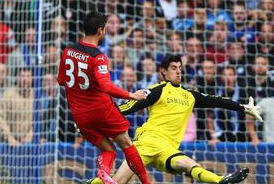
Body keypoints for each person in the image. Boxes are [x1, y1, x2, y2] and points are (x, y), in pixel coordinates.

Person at [98, 55, 263, 184]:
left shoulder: (189, 95)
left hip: (168, 148)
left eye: (180, 68)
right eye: (173, 68)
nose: (178, 71)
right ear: (163, 71)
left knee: (188, 164)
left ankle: (220, 180)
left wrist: (243, 108)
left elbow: (217, 101)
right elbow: (130, 106)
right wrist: (99, 119)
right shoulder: (157, 90)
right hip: (147, 143)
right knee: (118, 182)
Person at [57, 12, 151, 184]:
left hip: (80, 116)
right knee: (127, 144)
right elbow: (106, 86)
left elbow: (61, 80)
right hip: (102, 109)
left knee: (109, 151)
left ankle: (104, 171)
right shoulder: (98, 57)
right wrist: (132, 95)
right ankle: (147, 183)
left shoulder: (67, 51)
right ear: (100, 31)